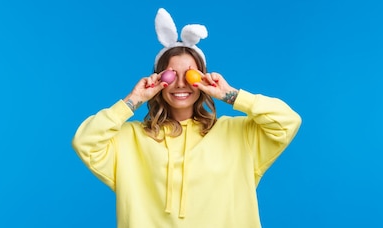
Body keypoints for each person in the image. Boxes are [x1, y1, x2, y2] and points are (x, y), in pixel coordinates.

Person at [72, 8, 302, 228]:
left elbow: (287, 121)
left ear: (203, 80)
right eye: (172, 75)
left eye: (190, 74)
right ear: (158, 81)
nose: (181, 83)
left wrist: (230, 95)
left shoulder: (238, 134)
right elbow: (85, 141)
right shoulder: (131, 139)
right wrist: (133, 100)